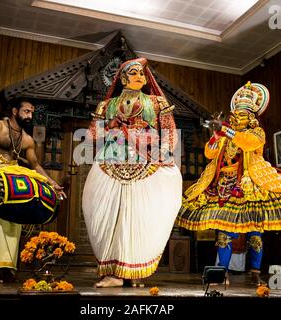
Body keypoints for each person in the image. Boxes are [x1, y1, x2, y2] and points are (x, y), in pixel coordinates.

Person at [177, 82, 281, 285]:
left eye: (243, 115)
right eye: (236, 115)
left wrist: (225, 130)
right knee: (224, 230)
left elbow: (247, 142)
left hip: (251, 184)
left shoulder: (256, 133)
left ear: (251, 117)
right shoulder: (225, 134)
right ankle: (221, 272)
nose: (238, 118)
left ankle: (255, 271)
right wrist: (216, 134)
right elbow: (209, 153)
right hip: (223, 184)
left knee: (255, 231)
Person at [82, 57, 182, 288]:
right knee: (104, 211)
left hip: (147, 162)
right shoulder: (106, 106)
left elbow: (169, 133)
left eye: (142, 74)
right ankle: (113, 274)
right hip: (110, 163)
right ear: (123, 78)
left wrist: (162, 153)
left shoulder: (156, 103)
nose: (140, 77)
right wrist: (112, 125)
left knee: (141, 214)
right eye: (135, 73)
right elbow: (92, 137)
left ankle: (136, 270)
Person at [0, 98, 66, 284]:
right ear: (15, 111)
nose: (30, 116)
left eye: (32, 112)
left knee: (13, 223)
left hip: (11, 176)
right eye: (26, 111)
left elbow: (35, 165)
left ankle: (5, 267)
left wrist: (52, 183)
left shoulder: (27, 139)